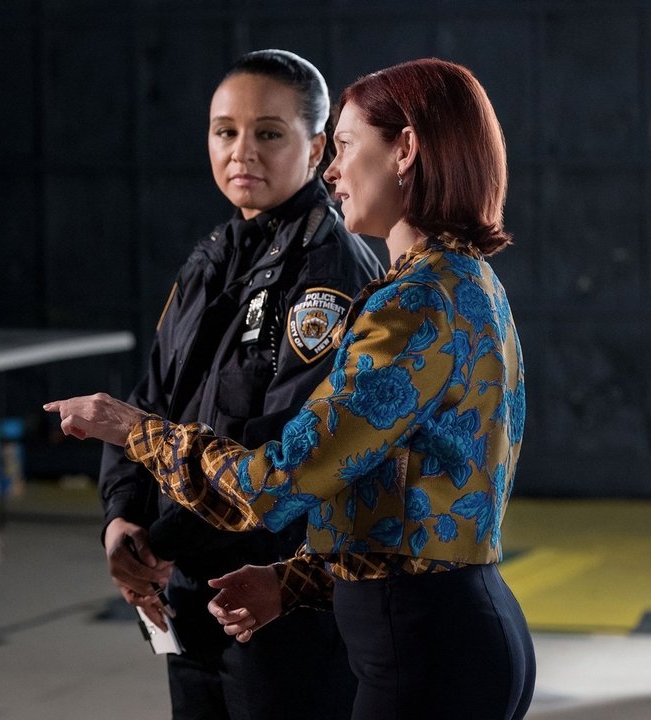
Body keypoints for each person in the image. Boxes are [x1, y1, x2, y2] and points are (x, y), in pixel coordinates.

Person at [47, 57, 535, 720]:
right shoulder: (460, 281)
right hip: (440, 629)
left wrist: (130, 429)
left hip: (421, 647)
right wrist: (296, 581)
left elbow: (275, 482)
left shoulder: (412, 304)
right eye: (224, 131)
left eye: (344, 145)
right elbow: (404, 503)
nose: (333, 171)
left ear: (405, 151)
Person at [97, 49, 378, 719]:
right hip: (187, 589)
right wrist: (122, 519)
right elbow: (150, 401)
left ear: (317, 148)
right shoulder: (213, 258)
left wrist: (157, 545)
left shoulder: (329, 272)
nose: (241, 151)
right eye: (225, 131)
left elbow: (285, 453)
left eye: (269, 133)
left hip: (278, 600)